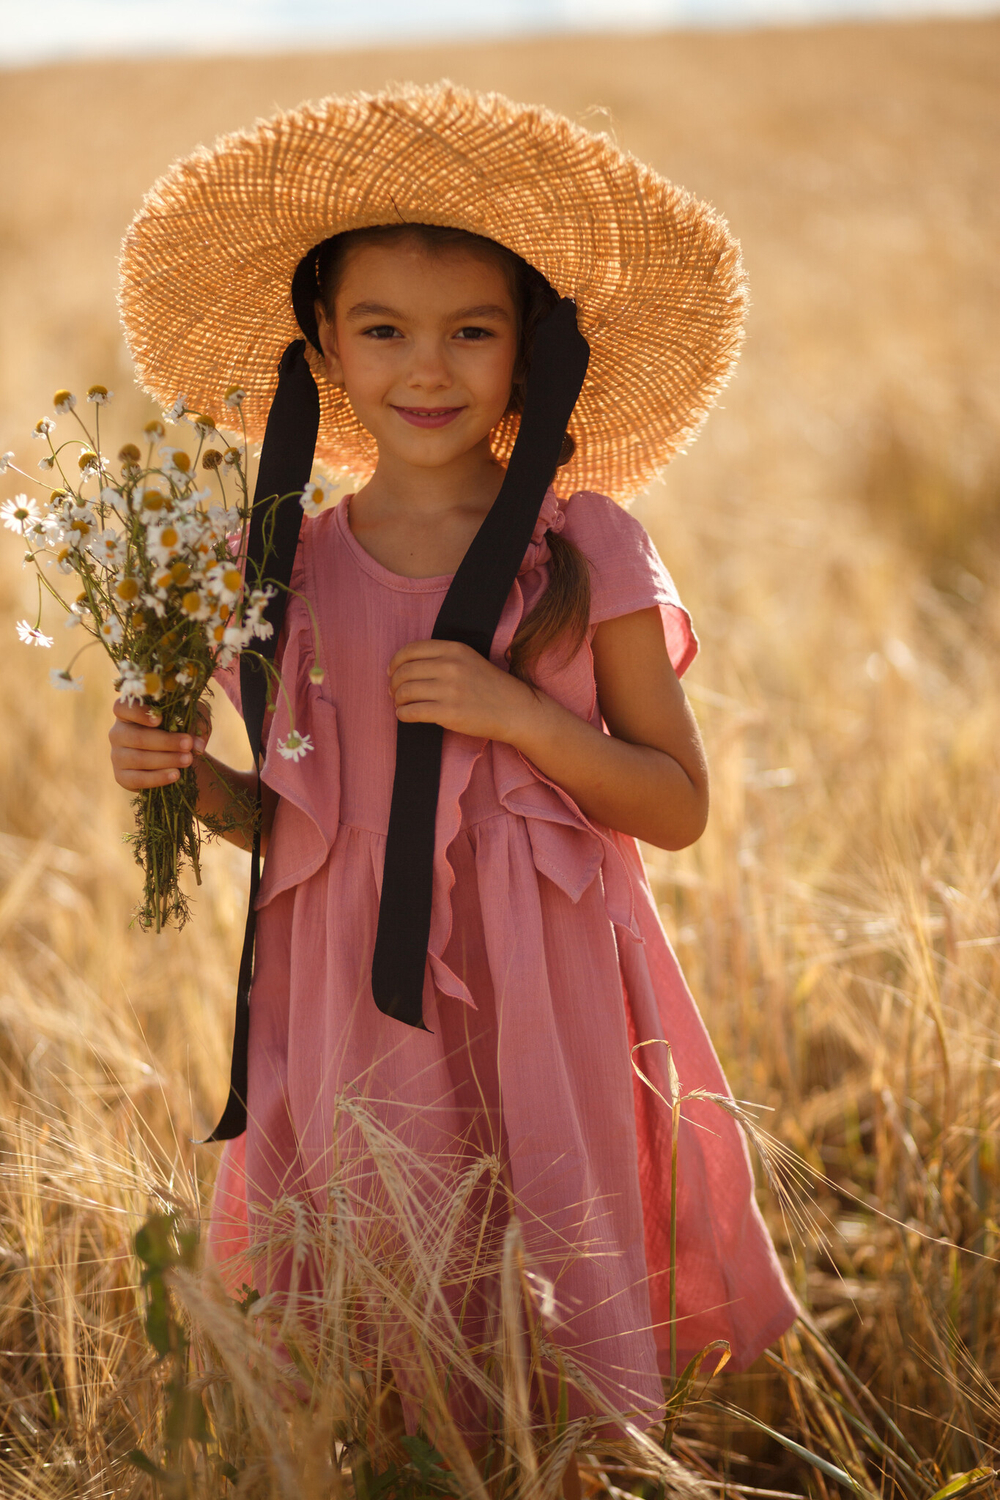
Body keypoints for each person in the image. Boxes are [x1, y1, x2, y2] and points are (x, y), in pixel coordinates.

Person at [111, 83, 798, 1446]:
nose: (427, 368)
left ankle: (575, 1468)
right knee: (376, 1275)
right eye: (383, 330)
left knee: (552, 1247)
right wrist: (182, 776)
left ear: (530, 356)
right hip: (345, 989)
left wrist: (521, 717)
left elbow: (678, 808)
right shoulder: (282, 567)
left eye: (472, 333)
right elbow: (308, 824)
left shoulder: (584, 548)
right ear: (323, 345)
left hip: (544, 984)